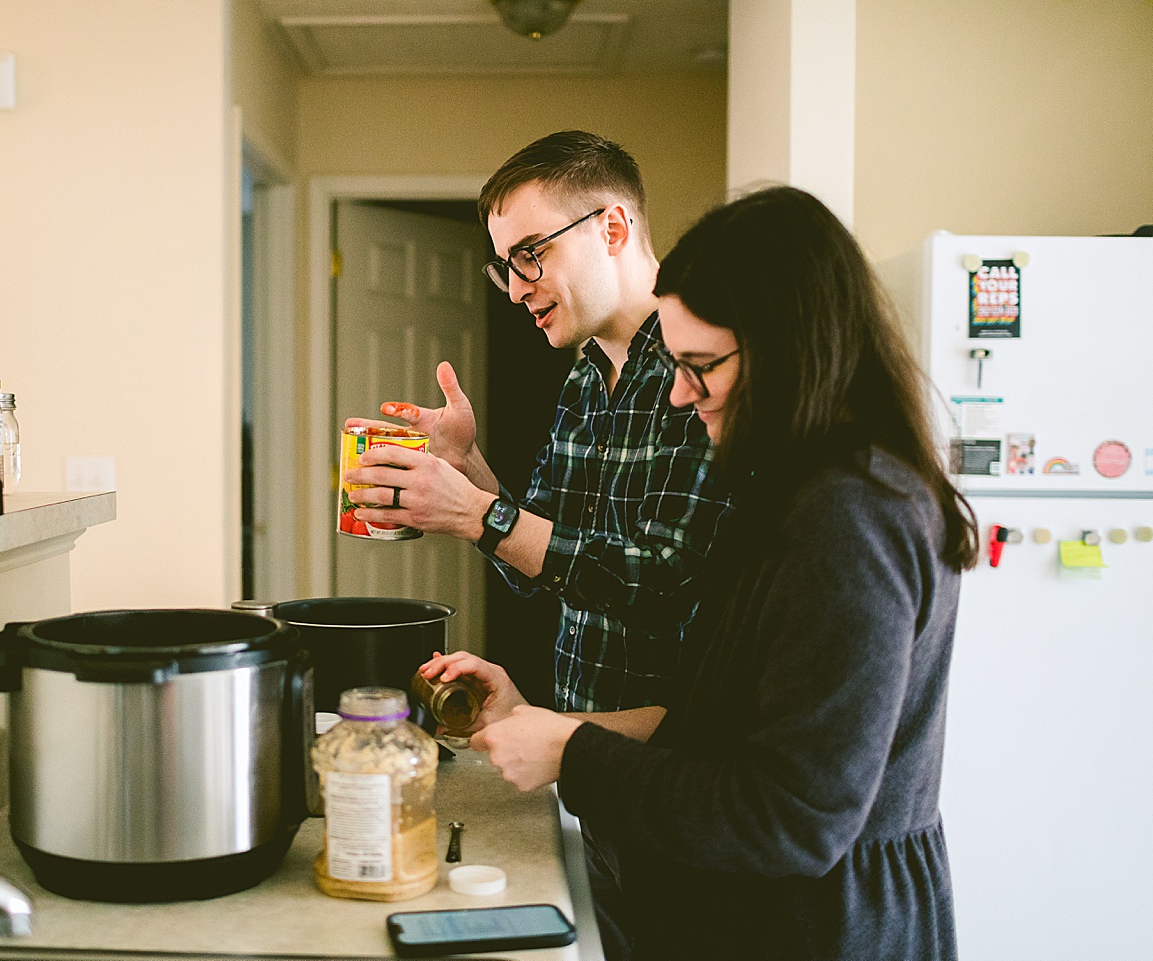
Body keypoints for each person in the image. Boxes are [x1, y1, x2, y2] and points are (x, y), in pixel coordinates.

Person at [420, 185, 979, 960]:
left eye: (700, 366)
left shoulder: (854, 515)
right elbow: (723, 730)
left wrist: (573, 752)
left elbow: (793, 814)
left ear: (793, 346)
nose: (681, 393)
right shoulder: (792, 491)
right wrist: (542, 722)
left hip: (825, 929)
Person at [344, 130, 732, 715]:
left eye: (532, 253)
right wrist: (468, 468)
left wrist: (475, 514)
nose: (517, 290)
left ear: (613, 230)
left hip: (676, 770)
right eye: (505, 266)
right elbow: (537, 561)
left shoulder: (698, 372)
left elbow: (665, 585)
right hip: (580, 743)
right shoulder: (583, 380)